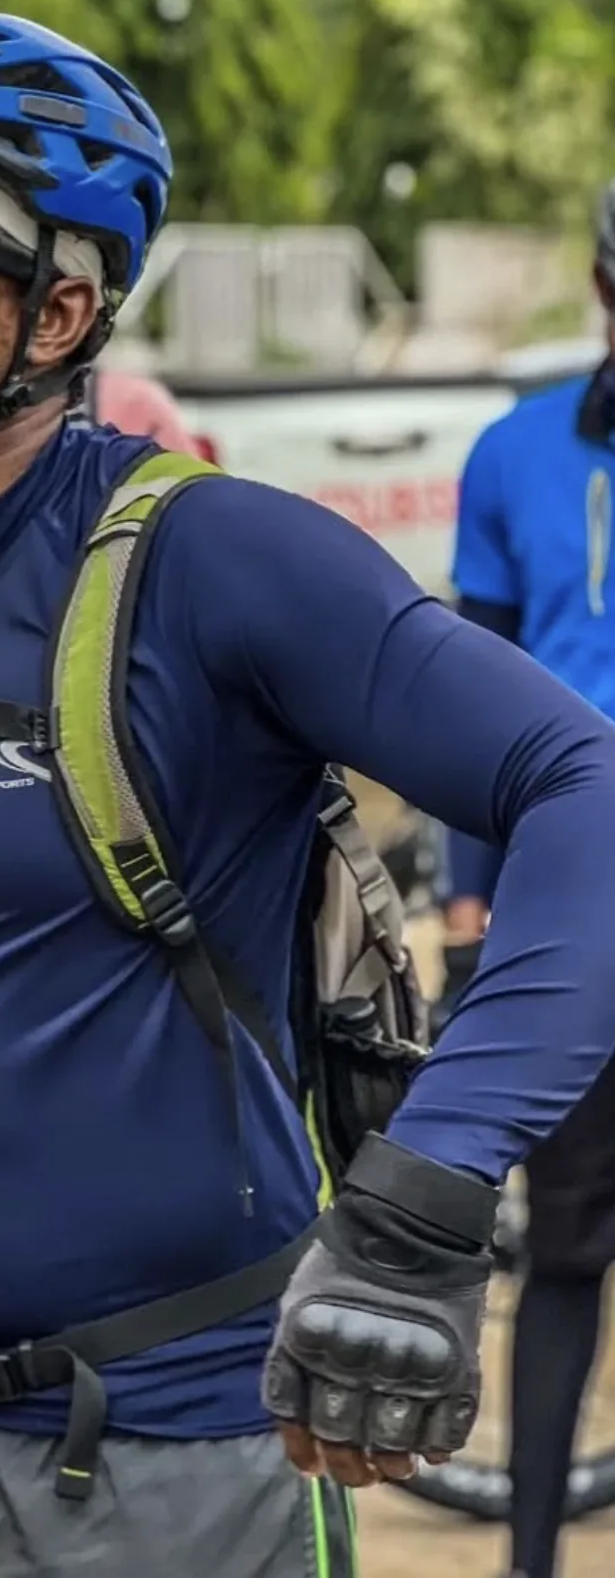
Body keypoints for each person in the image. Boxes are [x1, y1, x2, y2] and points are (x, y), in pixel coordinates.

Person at [0, 8, 615, 1578]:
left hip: (177, 1436)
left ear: (63, 306)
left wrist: (425, 1196)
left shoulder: (218, 560)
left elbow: (582, 781)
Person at [440, 180, 615, 1578]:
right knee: (563, 1250)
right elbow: (470, 694)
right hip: (574, 899)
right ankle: (535, 1557)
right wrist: (463, 892)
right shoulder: (515, 453)